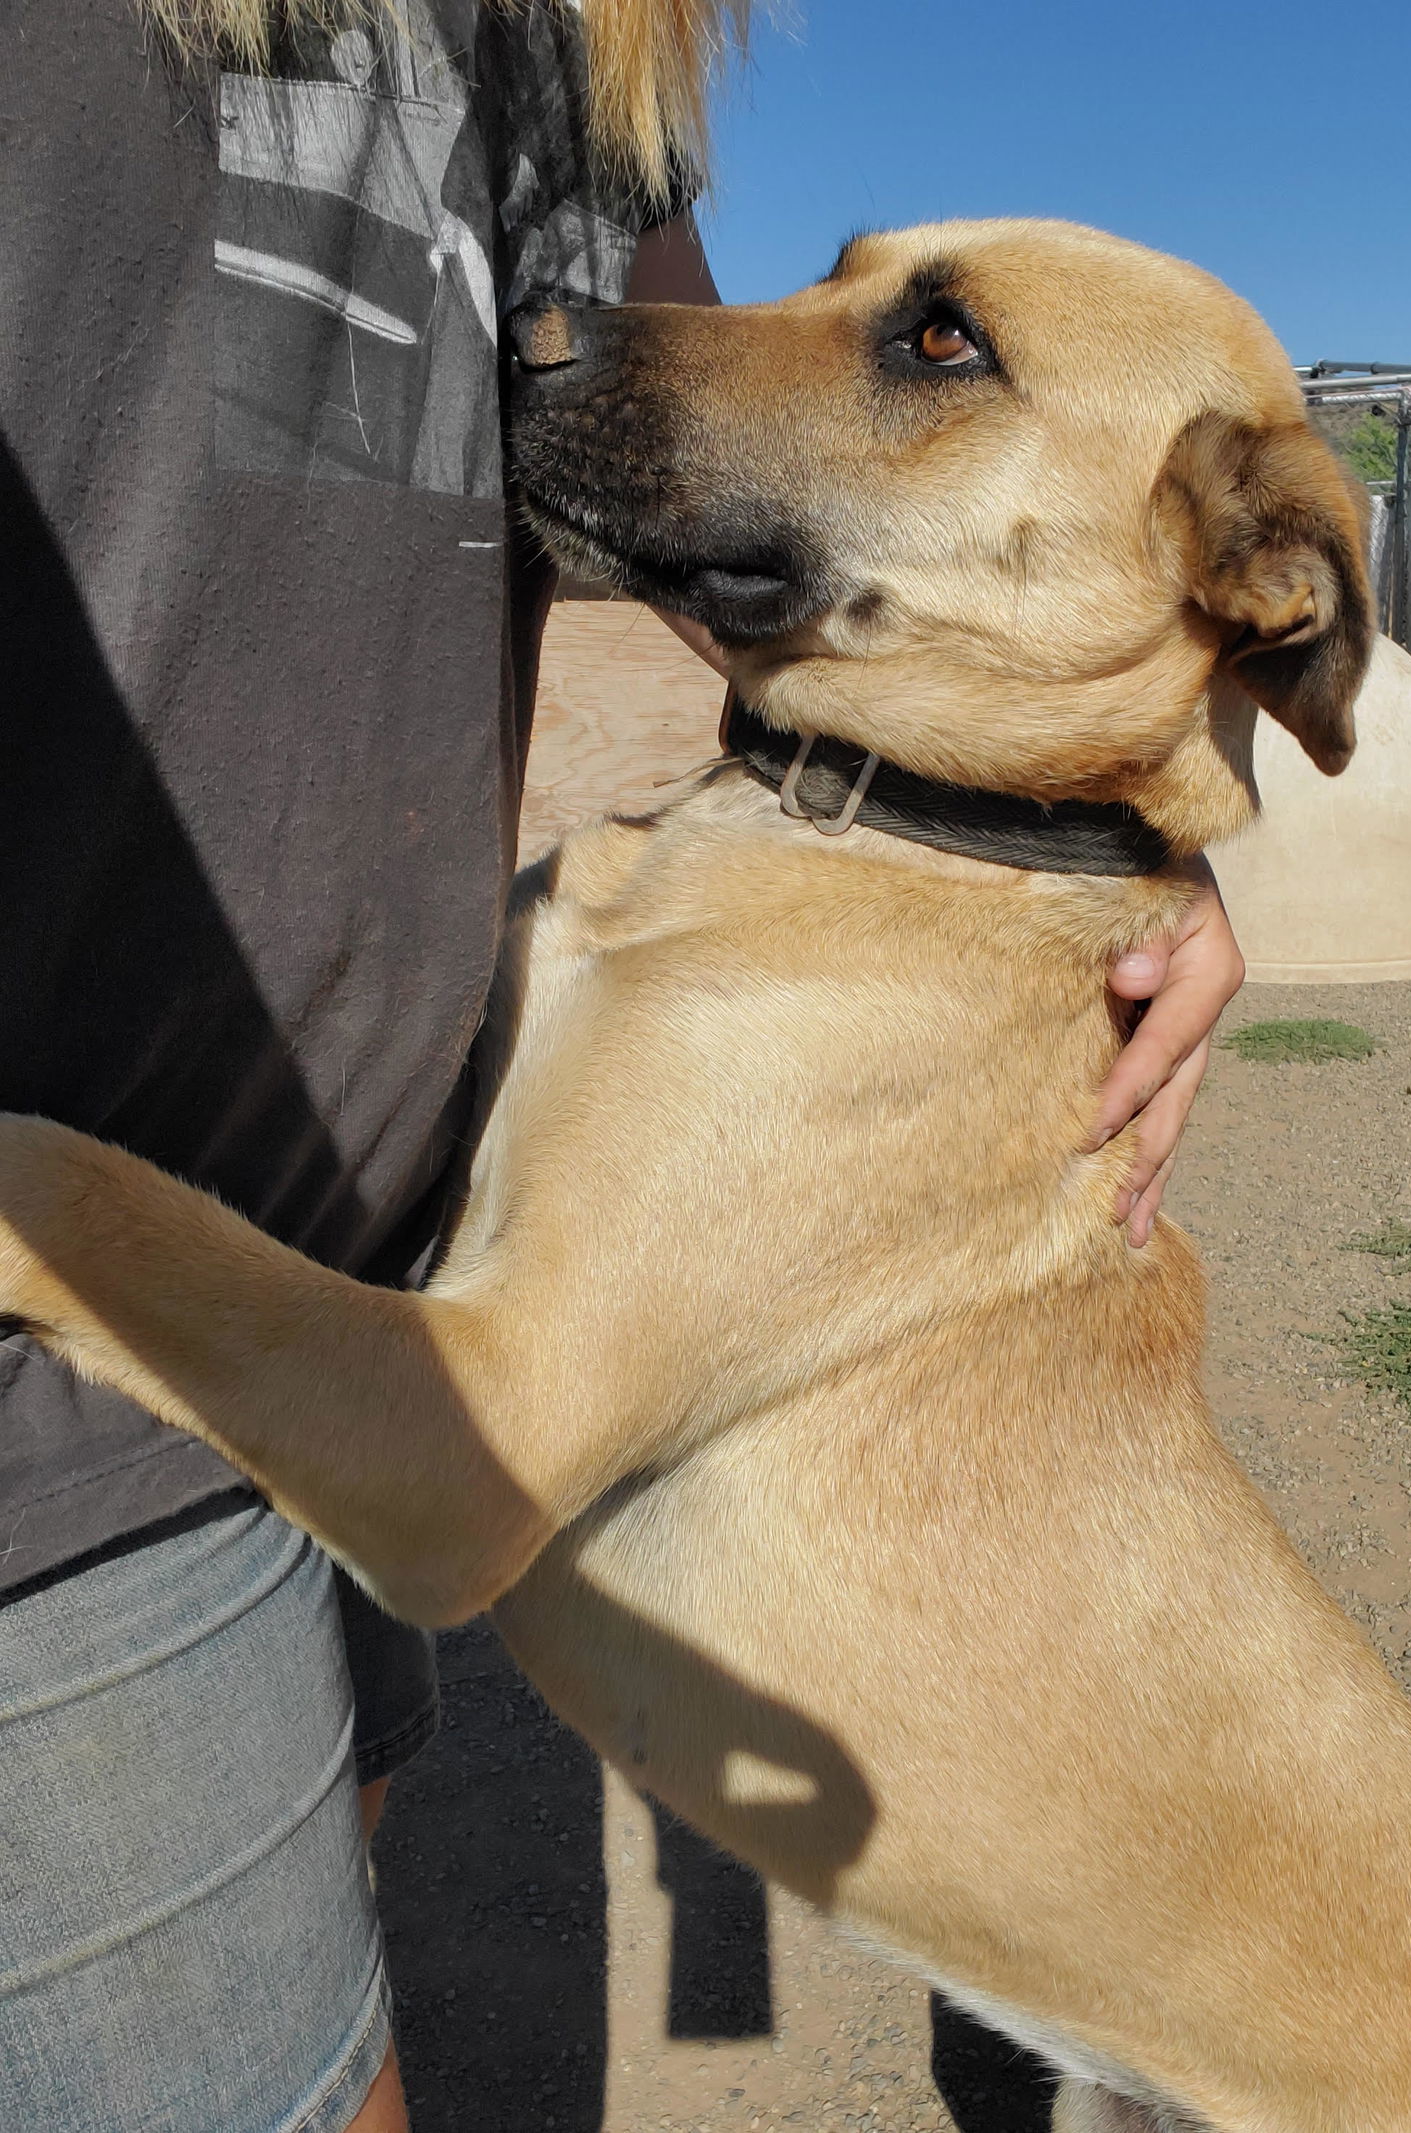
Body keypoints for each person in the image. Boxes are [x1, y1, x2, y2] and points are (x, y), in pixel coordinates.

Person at [0, 4, 1243, 2128]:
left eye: (923, 343)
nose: (554, 334)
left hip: (332, 1237)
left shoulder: (558, 30)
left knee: (333, 1899)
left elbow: (682, 431)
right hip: (78, 1353)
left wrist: (1132, 784)